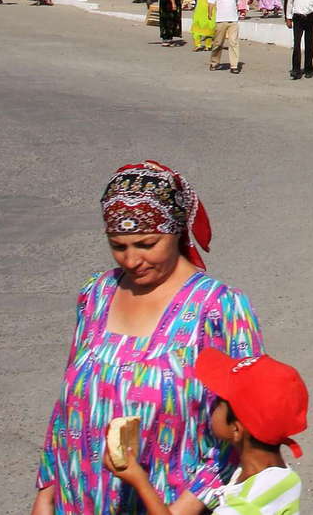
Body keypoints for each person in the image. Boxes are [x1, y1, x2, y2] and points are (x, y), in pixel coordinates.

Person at [32, 161, 262, 515]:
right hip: (78, 498)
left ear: (176, 232)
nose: (132, 259)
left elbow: (246, 425)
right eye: (118, 246)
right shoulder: (96, 294)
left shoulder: (218, 307)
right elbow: (69, 400)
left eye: (146, 243)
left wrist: (185, 507)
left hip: (168, 503)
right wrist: (47, 491)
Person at [107, 348, 308, 515]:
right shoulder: (284, 479)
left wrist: (139, 480)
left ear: (236, 429)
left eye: (219, 403)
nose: (211, 406)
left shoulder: (244, 506)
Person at [207, 0, 245, 73]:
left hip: (233, 20)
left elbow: (237, 3)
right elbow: (210, 2)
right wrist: (209, 13)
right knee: (218, 43)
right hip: (221, 20)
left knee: (233, 42)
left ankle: (234, 65)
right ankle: (214, 62)